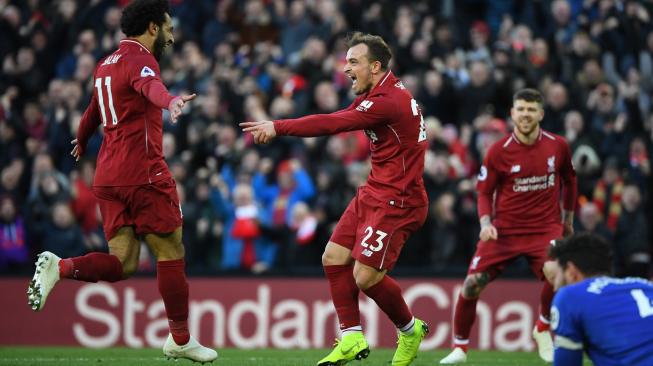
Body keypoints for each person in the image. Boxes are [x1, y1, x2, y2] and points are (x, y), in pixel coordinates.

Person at [26, 0, 216, 362]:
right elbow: (150, 88)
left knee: (124, 263)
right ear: (153, 28)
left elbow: (92, 111)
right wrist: (170, 100)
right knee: (171, 251)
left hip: (108, 177)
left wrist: (82, 140)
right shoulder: (142, 59)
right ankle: (180, 338)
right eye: (169, 29)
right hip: (143, 174)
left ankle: (61, 266)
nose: (172, 38)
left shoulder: (105, 64)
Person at [241, 31, 430, 366]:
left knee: (365, 277)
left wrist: (278, 125)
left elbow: (333, 123)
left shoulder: (387, 102)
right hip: (375, 191)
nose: (346, 69)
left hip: (398, 200)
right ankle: (352, 336)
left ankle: (410, 329)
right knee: (333, 257)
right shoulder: (381, 91)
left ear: (375, 66)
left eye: (353, 62)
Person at [440, 89, 577, 364]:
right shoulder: (497, 152)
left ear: (540, 113)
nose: (526, 114)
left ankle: (541, 327)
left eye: (531, 109)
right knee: (471, 285)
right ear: (513, 114)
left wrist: (568, 220)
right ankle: (460, 348)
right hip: (504, 231)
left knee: (557, 273)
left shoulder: (557, 146)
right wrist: (485, 223)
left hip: (545, 228)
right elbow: (483, 192)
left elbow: (570, 181)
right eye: (521, 109)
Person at [548, 233, 653, 366]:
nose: (554, 286)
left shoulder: (570, 296)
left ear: (571, 271)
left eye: (555, 276)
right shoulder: (645, 286)